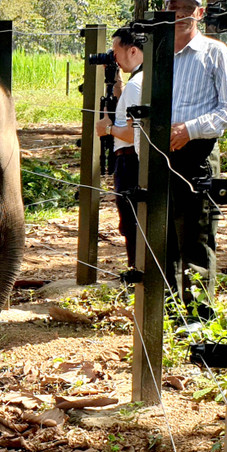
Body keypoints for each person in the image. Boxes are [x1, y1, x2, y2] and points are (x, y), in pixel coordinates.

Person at [164, 0, 227, 317]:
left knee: (196, 233)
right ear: (165, 11)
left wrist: (189, 129)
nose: (180, 15)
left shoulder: (215, 53)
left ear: (200, 13)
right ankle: (166, 311)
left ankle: (197, 316)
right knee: (161, 231)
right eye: (174, 8)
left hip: (197, 153)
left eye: (187, 9)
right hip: (159, 151)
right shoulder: (158, 56)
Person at [95, 27, 144, 272]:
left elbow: (134, 133)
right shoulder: (140, 81)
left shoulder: (137, 85)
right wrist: (116, 83)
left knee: (131, 222)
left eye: (116, 51)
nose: (113, 57)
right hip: (130, 159)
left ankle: (137, 273)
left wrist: (108, 129)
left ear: (133, 50)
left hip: (128, 160)